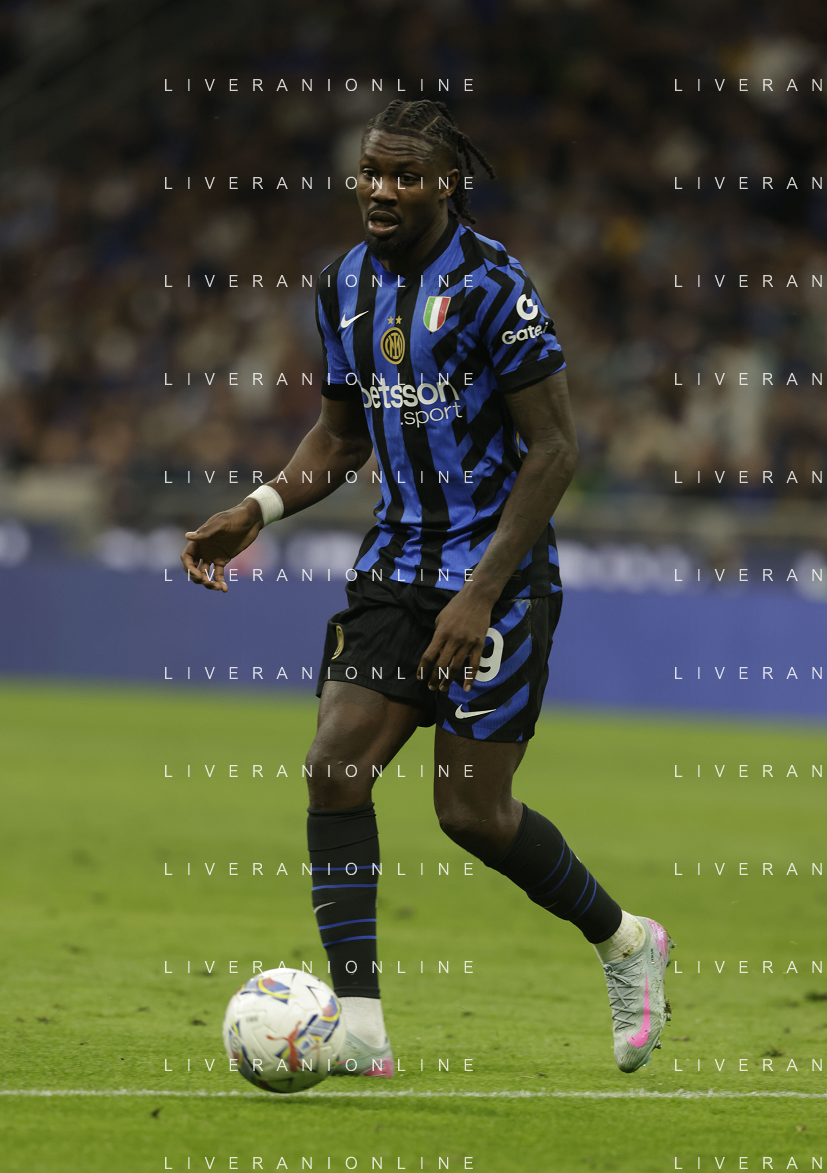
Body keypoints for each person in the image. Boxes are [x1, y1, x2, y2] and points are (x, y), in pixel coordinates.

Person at [181, 99, 672, 1076]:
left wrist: (480, 592)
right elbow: (339, 437)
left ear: (448, 185)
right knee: (334, 766)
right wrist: (260, 506)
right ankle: (361, 1028)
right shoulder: (342, 285)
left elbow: (555, 450)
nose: (381, 190)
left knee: (470, 814)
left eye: (405, 175)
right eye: (371, 171)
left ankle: (625, 940)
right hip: (397, 565)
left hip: (497, 579)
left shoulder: (494, 290)